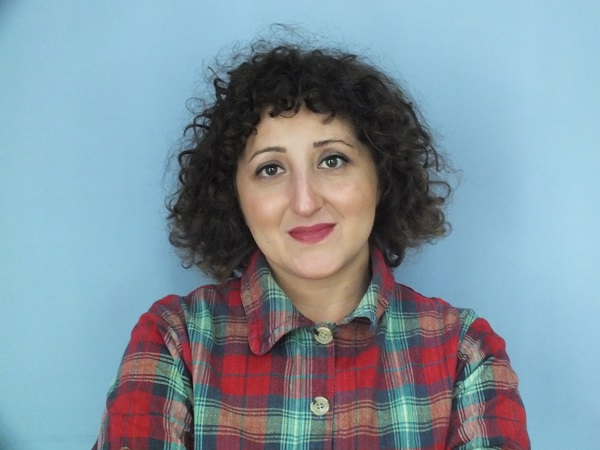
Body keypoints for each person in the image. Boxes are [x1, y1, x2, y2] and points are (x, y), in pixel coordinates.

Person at [93, 39, 529, 449]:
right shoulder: (175, 339)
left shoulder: (465, 350)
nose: (304, 202)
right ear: (234, 196)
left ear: (382, 177)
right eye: (270, 169)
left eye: (332, 160)